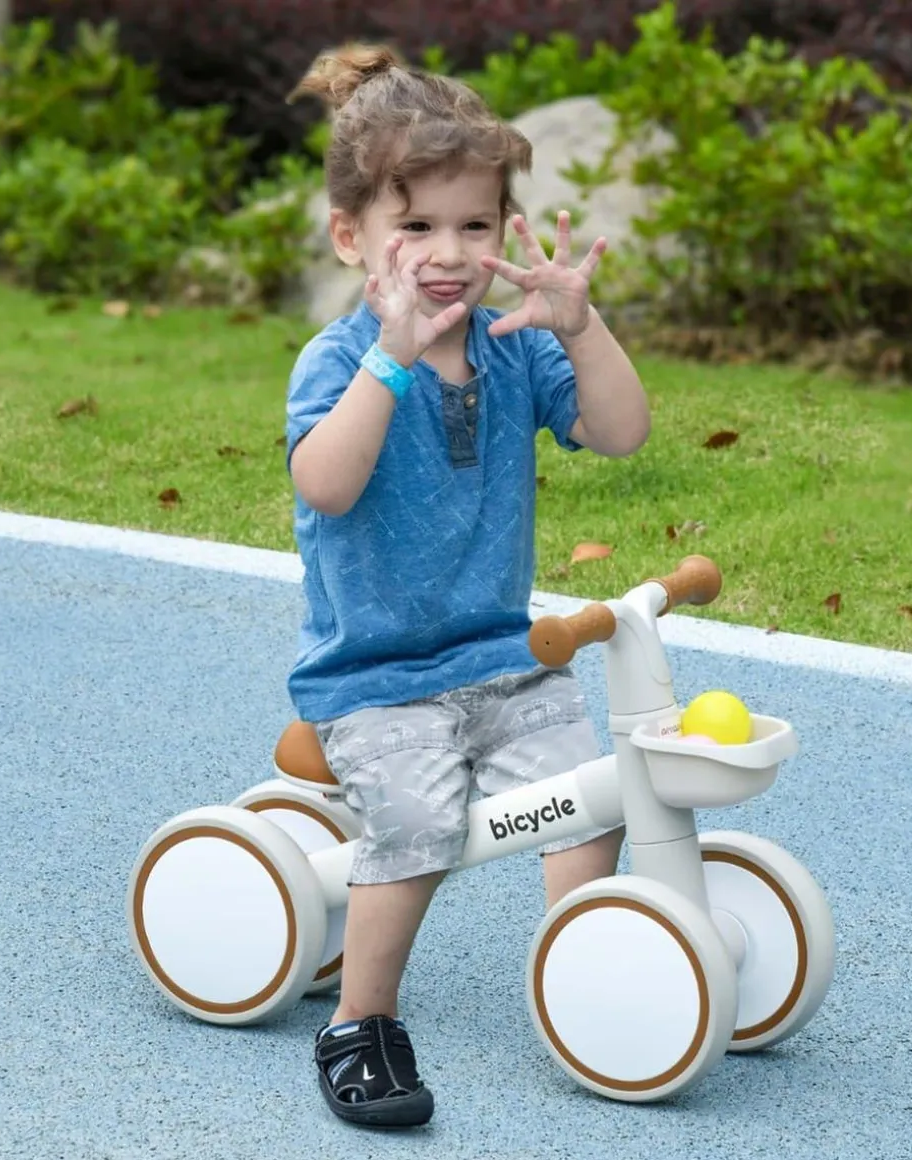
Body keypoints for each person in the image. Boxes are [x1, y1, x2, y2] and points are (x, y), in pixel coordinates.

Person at [283, 43, 651, 1129]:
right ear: (352, 236)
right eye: (416, 227)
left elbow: (621, 433)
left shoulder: (512, 347)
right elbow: (327, 483)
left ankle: (581, 977)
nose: (447, 254)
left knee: (593, 794)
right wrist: (389, 360)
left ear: (502, 232)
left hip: (502, 655)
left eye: (474, 227)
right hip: (375, 676)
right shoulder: (339, 358)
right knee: (415, 823)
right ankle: (360, 1018)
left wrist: (581, 327)